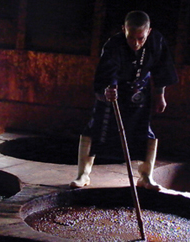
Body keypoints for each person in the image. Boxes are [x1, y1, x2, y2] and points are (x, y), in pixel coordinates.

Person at [70, 10, 178, 190]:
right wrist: (107, 91)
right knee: (94, 129)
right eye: (130, 38)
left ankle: (145, 176)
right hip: (114, 91)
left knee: (146, 132)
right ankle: (83, 175)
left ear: (148, 31)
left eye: (140, 38)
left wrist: (160, 94)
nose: (135, 43)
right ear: (123, 30)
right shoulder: (114, 44)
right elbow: (106, 72)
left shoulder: (156, 41)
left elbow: (162, 68)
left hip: (139, 91)